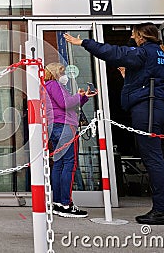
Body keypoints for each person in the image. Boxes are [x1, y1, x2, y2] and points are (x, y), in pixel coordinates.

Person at [64, 22, 164, 225]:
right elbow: (147, 77)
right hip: (155, 107)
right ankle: (163, 208)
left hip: (148, 109)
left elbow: (114, 52)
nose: (132, 38)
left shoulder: (144, 51)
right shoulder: (158, 53)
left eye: (134, 35)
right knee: (155, 158)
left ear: (142, 36)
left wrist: (83, 42)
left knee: (153, 159)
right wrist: (128, 76)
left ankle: (163, 210)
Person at [44, 62, 97, 218]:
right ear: (55, 73)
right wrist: (78, 96)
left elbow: (67, 103)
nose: (64, 75)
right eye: (62, 71)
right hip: (65, 126)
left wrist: (83, 97)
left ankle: (59, 203)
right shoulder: (54, 85)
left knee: (59, 164)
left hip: (56, 126)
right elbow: (66, 104)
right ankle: (66, 204)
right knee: (69, 164)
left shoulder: (49, 85)